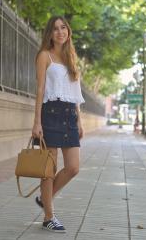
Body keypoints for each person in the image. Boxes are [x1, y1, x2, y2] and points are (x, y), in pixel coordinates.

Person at [32, 15, 85, 233]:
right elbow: (40, 89)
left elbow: (75, 93)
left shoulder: (71, 58)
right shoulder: (45, 56)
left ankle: (45, 199)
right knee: (48, 170)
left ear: (68, 31)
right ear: (50, 34)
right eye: (55, 29)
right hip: (50, 114)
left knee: (73, 167)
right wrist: (37, 122)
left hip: (69, 116)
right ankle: (48, 216)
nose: (60, 32)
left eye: (63, 28)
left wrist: (79, 120)